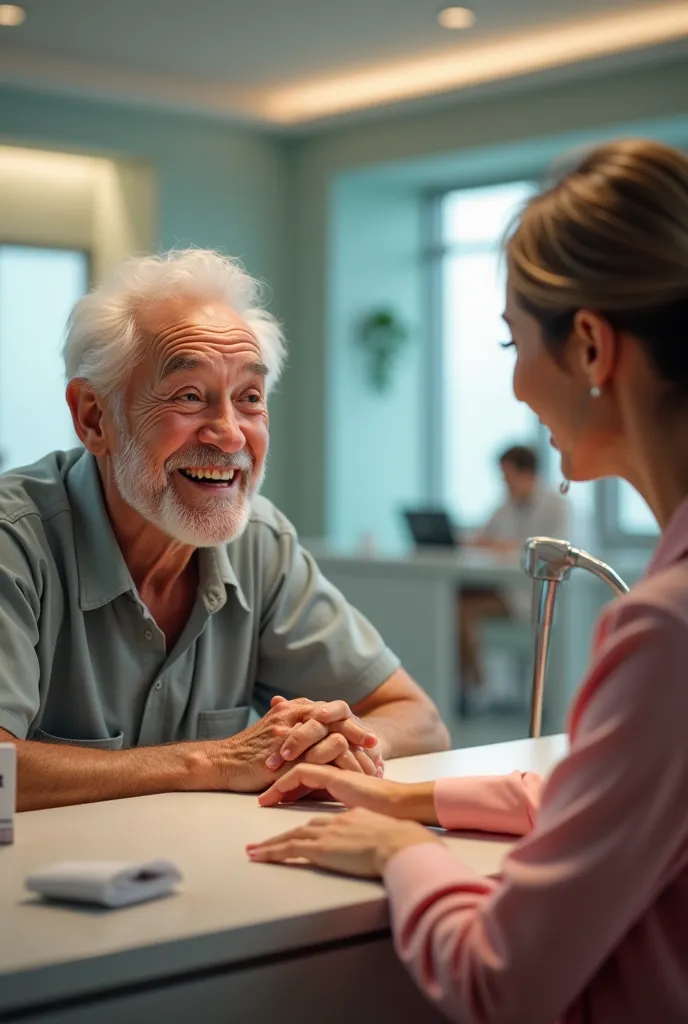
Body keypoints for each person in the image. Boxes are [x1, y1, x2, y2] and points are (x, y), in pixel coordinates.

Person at [248, 139, 688, 1023]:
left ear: (594, 347)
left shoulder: (665, 634)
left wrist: (396, 848)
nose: (518, 383)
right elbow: (618, 795)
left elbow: (498, 979)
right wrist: (403, 794)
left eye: (512, 341)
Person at [0, 249, 449, 812]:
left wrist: (343, 745)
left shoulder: (261, 542)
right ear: (94, 417)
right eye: (190, 396)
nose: (231, 435)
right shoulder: (13, 541)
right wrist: (211, 762)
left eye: (250, 399)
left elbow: (420, 720)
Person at [459, 443, 568, 693]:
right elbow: (481, 538)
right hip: (508, 591)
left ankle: (479, 688)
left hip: (533, 597)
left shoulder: (556, 506)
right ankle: (475, 687)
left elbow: (551, 552)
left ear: (527, 473)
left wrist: (501, 546)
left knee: (464, 609)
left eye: (508, 477)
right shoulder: (506, 505)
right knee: (460, 602)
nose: (505, 484)